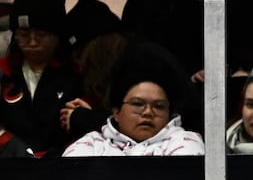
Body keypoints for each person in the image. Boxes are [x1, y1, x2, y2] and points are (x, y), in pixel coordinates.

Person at [61, 42, 204, 155]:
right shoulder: (90, 144)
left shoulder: (185, 142)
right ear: (116, 112)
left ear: (169, 112)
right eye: (137, 104)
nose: (148, 112)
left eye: (159, 106)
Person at [0, 0, 84, 157]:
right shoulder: (0, 72)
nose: (33, 42)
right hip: (7, 163)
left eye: (42, 34)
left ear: (58, 35)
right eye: (24, 34)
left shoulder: (76, 74)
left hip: (63, 163)